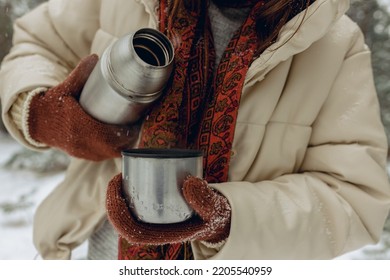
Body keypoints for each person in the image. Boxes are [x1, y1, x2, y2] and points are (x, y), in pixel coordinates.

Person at [0, 0, 390, 260]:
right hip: (89, 254)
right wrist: (38, 110)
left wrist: (230, 219)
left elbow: (355, 198)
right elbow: (37, 44)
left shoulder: (334, 44)